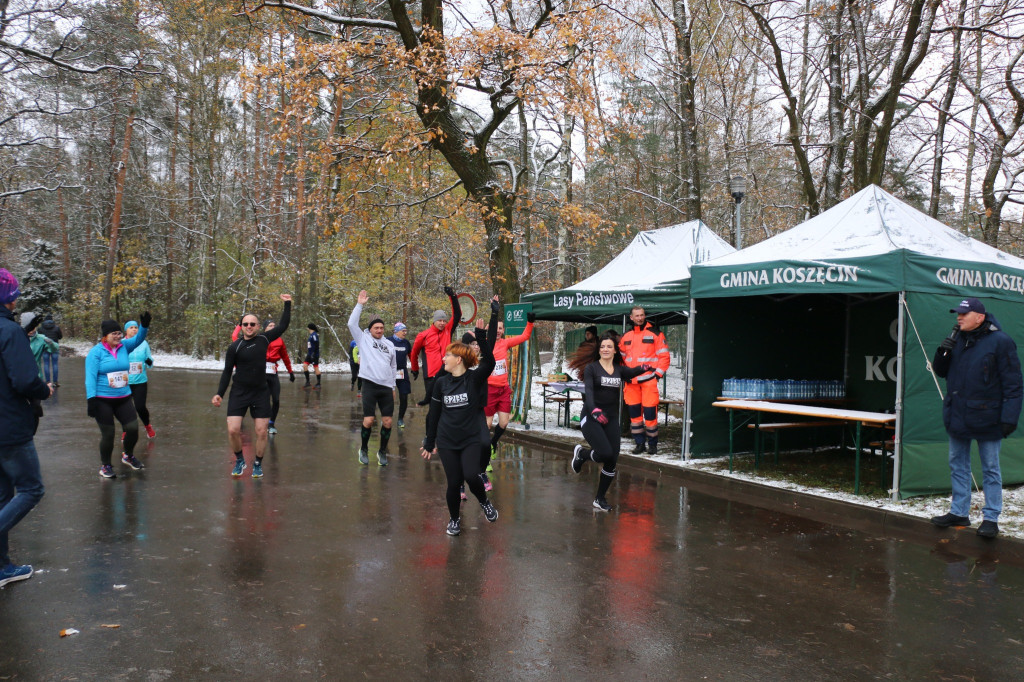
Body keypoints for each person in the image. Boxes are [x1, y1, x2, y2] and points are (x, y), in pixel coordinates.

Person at [930, 297, 1022, 538]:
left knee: (990, 468)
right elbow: (941, 372)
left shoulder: (1001, 341)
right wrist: (944, 351)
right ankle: (959, 512)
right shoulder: (958, 339)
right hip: (958, 413)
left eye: (964, 314)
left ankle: (991, 517)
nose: (958, 317)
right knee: (957, 465)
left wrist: (1009, 417)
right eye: (957, 314)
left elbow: (1013, 384)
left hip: (988, 416)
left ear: (979, 317)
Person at [420, 297, 500, 536]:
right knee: (454, 483)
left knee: (470, 475)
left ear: (459, 360)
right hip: (447, 440)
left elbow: (491, 361)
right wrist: (429, 440)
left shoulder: (473, 379)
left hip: (470, 438)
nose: (443, 359)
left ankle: (484, 502)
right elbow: (433, 414)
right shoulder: (440, 383)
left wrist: (482, 336)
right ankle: (454, 519)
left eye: (447, 356)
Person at [0, 269, 53, 587]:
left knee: (4, 494)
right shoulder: (9, 331)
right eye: (14, 294)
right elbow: (23, 379)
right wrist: (42, 389)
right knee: (32, 489)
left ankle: (2, 567)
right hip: (9, 427)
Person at [569, 331, 652, 511]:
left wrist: (644, 367)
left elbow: (631, 371)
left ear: (615, 351)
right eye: (603, 346)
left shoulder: (619, 370)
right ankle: (582, 454)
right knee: (605, 452)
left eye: (609, 347)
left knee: (612, 459)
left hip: (611, 418)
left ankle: (599, 499)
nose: (605, 349)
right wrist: (594, 410)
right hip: (591, 416)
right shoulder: (592, 369)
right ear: (599, 350)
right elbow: (589, 393)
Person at [212, 295, 291, 478]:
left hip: (260, 392)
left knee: (261, 432)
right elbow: (226, 372)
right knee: (232, 430)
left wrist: (287, 304)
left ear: (257, 327)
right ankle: (240, 460)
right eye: (246, 324)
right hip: (239, 391)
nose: (249, 327)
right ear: (242, 326)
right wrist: (219, 394)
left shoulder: (264, 339)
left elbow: (283, 326)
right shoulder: (235, 347)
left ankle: (257, 463)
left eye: (252, 324)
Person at [85, 312, 152, 478]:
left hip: (123, 397)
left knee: (132, 429)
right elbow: (90, 377)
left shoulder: (124, 347)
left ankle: (128, 455)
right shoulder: (96, 352)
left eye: (118, 333)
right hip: (102, 400)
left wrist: (144, 326)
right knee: (108, 434)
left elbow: (138, 340)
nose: (117, 336)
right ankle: (106, 465)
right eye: (113, 334)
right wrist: (91, 399)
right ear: (105, 336)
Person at [348, 290, 397, 466]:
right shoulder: (363, 339)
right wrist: (359, 304)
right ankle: (364, 448)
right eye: (376, 328)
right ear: (370, 329)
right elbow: (351, 323)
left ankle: (382, 451)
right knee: (368, 420)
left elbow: (393, 367)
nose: (379, 330)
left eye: (382, 328)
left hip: (385, 387)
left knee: (388, 422)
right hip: (369, 384)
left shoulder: (389, 344)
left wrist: (393, 387)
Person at [484, 311, 535, 468]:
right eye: (495, 328)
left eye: (500, 328)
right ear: (489, 329)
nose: (498, 330)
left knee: (504, 423)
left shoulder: (505, 343)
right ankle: (485, 459)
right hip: (489, 390)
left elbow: (524, 337)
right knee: (487, 425)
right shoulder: (484, 343)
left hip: (503, 390)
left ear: (503, 330)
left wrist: (530, 322)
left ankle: (493, 444)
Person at [619, 305, 670, 455]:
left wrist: (657, 375)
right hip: (631, 383)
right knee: (634, 417)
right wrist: (624, 374)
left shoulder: (655, 333)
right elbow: (621, 359)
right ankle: (639, 443)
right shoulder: (626, 336)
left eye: (642, 315)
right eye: (637, 315)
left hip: (648, 381)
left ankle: (652, 445)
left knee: (650, 415)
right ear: (631, 317)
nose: (640, 318)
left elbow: (665, 357)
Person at [232, 319, 294, 435]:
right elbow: (235, 338)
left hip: (273, 373)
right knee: (258, 399)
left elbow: (285, 356)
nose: (273, 327)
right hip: (259, 373)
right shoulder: (259, 339)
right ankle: (245, 419)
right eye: (270, 325)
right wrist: (239, 325)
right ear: (265, 328)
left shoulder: (280, 341)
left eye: (274, 325)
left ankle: (271, 423)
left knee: (275, 399)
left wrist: (290, 371)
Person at [410, 286, 461, 405]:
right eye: (440, 321)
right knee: (434, 405)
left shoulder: (448, 330)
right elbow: (414, 353)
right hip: (431, 376)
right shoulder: (423, 335)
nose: (442, 323)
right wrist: (415, 369)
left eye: (444, 321)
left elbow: (458, 314)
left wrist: (452, 297)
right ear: (434, 321)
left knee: (448, 404)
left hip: (448, 371)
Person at [124, 320, 156, 439]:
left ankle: (148, 426)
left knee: (140, 407)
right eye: (131, 327)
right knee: (125, 409)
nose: (134, 329)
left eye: (136, 327)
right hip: (125, 382)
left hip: (140, 381)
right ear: (126, 330)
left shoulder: (144, 343)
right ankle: (125, 430)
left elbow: (150, 360)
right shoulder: (122, 343)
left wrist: (149, 362)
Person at [389, 322, 413, 428]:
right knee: (388, 397)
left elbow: (411, 355)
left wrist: (415, 368)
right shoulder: (388, 341)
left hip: (402, 372)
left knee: (404, 395)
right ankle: (386, 416)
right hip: (389, 372)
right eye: (403, 331)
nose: (405, 333)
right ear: (396, 331)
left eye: (406, 331)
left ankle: (400, 419)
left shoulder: (406, 343)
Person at [22, 314, 58, 380]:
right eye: (29, 327)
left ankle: (50, 381)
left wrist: (51, 343)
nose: (31, 330)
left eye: (33, 327)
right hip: (21, 376)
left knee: (47, 364)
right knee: (48, 364)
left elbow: (55, 349)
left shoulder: (41, 338)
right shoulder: (17, 337)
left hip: (37, 376)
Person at [38, 313, 62, 386]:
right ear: (52, 320)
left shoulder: (40, 328)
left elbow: (39, 337)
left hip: (45, 348)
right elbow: (60, 337)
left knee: (46, 364)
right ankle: (55, 382)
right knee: (55, 364)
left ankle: (48, 381)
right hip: (54, 347)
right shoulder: (56, 328)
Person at [303, 323, 321, 388]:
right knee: (305, 365)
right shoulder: (311, 335)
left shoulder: (314, 335)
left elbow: (316, 344)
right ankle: (307, 382)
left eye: (308, 327)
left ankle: (318, 383)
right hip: (309, 354)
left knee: (316, 368)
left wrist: (314, 354)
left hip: (314, 354)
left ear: (310, 328)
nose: (307, 328)